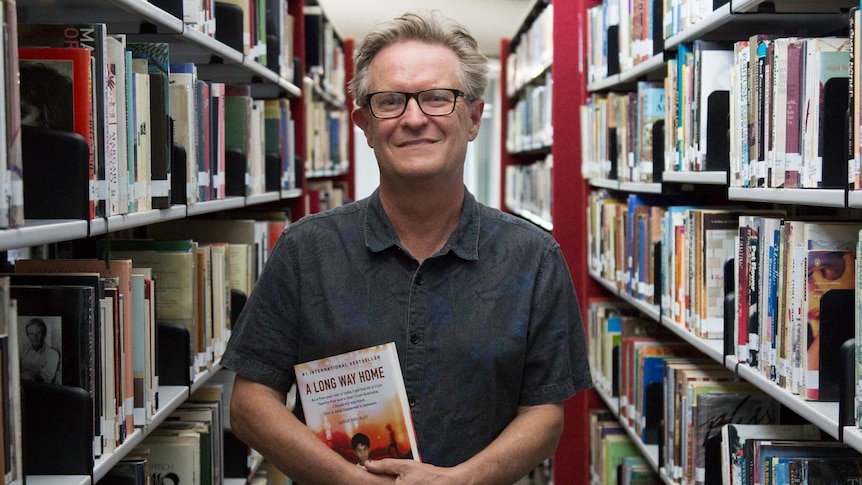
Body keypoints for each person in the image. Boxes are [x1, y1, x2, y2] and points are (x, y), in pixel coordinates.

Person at [220, 10, 592, 485]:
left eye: (438, 98)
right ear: (364, 124)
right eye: (390, 101)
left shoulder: (534, 259)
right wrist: (345, 480)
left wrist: (461, 481)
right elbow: (250, 405)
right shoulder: (304, 251)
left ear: (474, 117)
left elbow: (545, 412)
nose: (414, 118)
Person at [20, 318, 61, 384]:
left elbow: (46, 379)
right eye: (31, 333)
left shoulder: (53, 354)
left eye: (38, 333)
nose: (35, 337)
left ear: (44, 335)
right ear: (27, 335)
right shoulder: (22, 350)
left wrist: (26, 375)